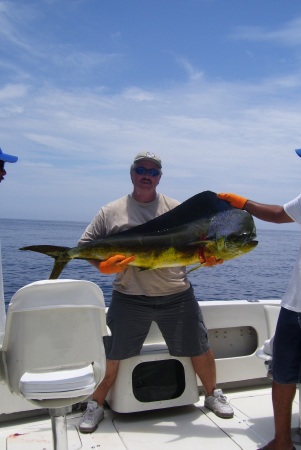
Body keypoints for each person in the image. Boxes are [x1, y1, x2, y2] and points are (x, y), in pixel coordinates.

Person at [78, 151, 234, 433]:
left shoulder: (176, 210)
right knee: (113, 353)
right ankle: (95, 405)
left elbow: (201, 247)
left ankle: (212, 394)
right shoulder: (110, 211)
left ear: (159, 177)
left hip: (177, 294)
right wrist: (103, 267)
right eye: (141, 170)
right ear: (131, 173)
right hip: (129, 296)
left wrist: (209, 258)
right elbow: (85, 245)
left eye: (153, 172)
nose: (146, 176)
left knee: (199, 347)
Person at [218, 129, 301, 450]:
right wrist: (244, 203)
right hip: (294, 305)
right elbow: (280, 214)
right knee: (281, 373)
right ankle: (281, 441)